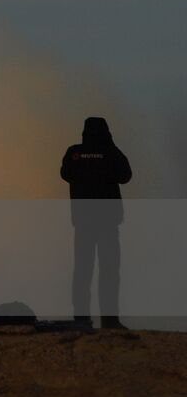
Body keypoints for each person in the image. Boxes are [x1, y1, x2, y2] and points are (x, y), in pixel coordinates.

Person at [61, 116, 132, 330]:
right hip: (108, 221)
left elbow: (65, 174)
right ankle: (110, 320)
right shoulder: (111, 153)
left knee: (82, 270)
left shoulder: (74, 153)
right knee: (109, 270)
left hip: (83, 221)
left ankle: (81, 318)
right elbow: (126, 175)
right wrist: (109, 147)